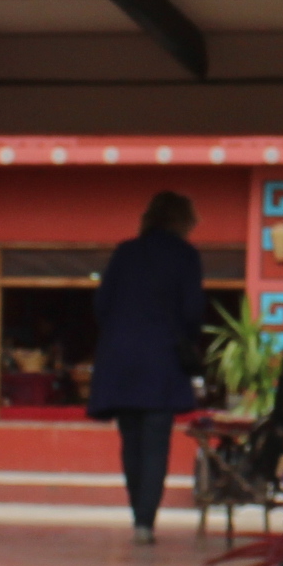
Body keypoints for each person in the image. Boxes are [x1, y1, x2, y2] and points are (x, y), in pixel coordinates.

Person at [89, 190, 208, 543]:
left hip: (121, 359)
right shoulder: (185, 255)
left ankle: (138, 515)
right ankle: (146, 522)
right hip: (163, 359)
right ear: (183, 220)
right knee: (156, 442)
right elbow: (193, 310)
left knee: (131, 441)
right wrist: (186, 338)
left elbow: (102, 304)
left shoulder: (125, 252)